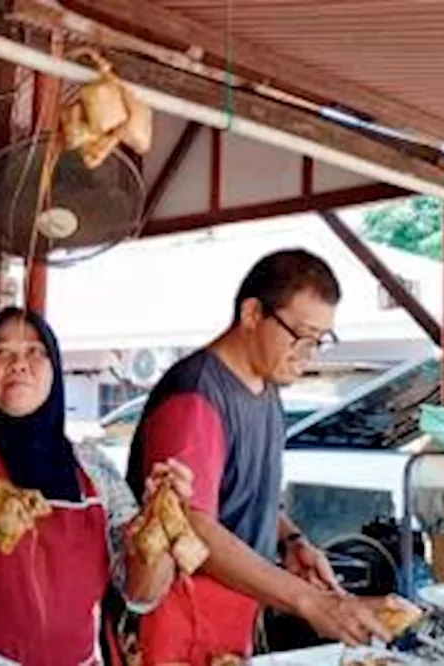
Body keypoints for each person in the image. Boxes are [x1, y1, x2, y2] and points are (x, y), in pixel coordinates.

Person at [126, 249, 395, 664]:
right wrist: (310, 602)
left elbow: (244, 492)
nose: (309, 353)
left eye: (320, 340)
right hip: (174, 623)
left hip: (230, 617)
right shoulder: (196, 396)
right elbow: (190, 525)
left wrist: (290, 539)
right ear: (252, 313)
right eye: (301, 335)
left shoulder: (266, 391)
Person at [0, 307, 192, 666]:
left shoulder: (94, 469)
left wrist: (160, 522)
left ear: (56, 371)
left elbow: (140, 592)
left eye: (35, 352)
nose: (19, 364)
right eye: (1, 352)